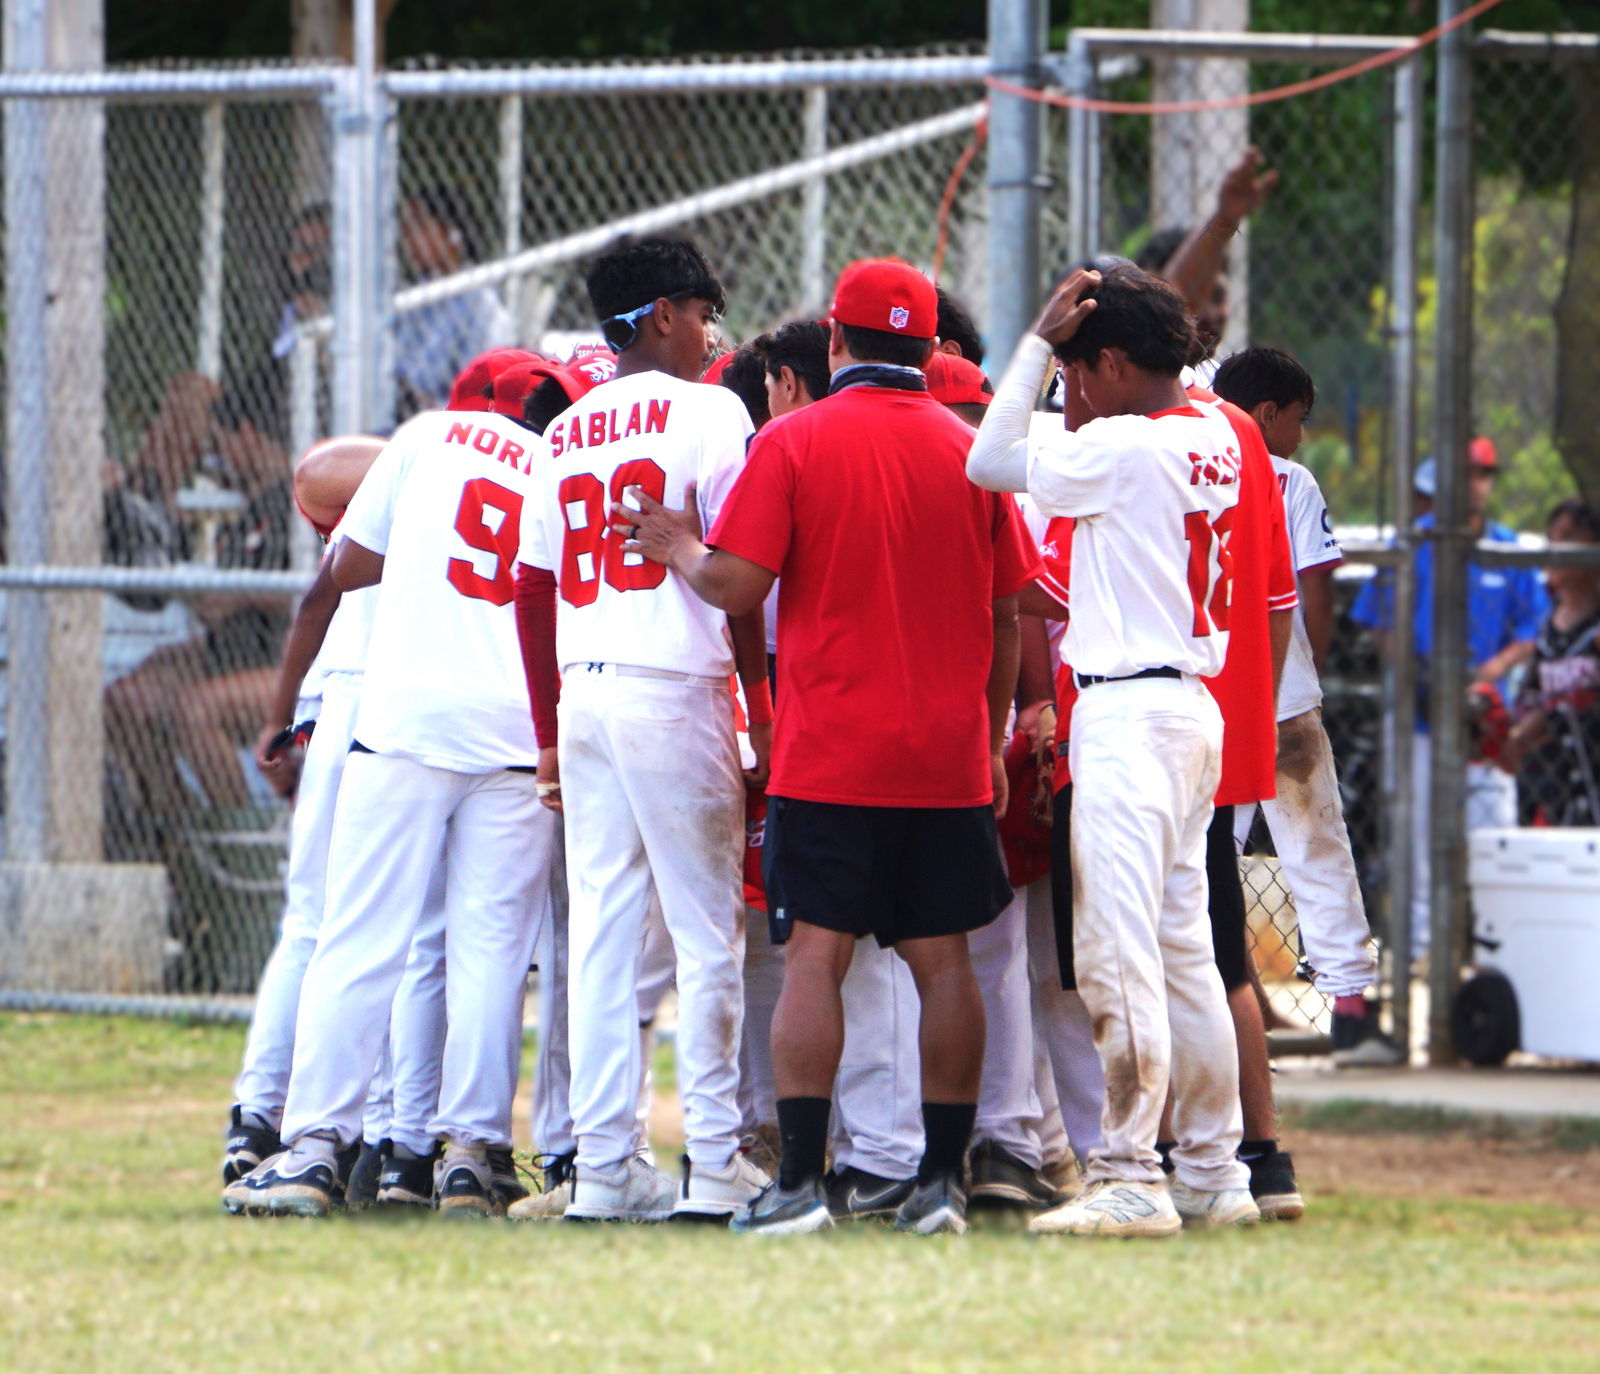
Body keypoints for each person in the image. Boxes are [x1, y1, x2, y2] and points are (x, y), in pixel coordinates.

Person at [622, 257, 1038, 1237]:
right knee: (944, 964)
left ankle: (800, 1184)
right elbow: (1009, 615)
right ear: (931, 350)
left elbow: (733, 586)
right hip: (942, 754)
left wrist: (679, 543)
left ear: (838, 343)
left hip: (831, 754)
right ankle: (942, 1184)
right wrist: (986, 738)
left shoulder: (795, 440)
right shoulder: (969, 451)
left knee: (814, 959)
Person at [968, 264, 1259, 1237]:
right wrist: (1067, 357)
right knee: (1184, 955)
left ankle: (1131, 1169)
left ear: (1119, 364)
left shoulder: (1130, 444)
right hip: (1186, 710)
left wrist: (1034, 345)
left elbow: (988, 457)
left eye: (1085, 371)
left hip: (1134, 715)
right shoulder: (1213, 429)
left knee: (1115, 952)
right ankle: (1216, 1171)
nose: (1075, 393)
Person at [232, 360, 559, 1219]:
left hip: (411, 716)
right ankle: (467, 1160)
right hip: (518, 727)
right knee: (491, 954)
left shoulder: (422, 438)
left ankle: (309, 1154)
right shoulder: (551, 459)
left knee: (361, 931)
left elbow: (347, 567)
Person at [516, 234, 771, 1224]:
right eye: (702, 313)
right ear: (660, 314)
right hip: (675, 684)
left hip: (583, 692)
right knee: (708, 933)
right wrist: (758, 701)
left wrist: (545, 729)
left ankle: (607, 1165)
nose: (711, 334)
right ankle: (712, 1159)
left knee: (603, 939)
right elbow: (740, 568)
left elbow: (532, 586)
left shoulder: (567, 428)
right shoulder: (710, 408)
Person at [1212, 347, 1401, 1067]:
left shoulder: (1185, 460)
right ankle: (1352, 1010)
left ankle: (1207, 1002)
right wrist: (1306, 670)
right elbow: (1313, 590)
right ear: (1268, 414)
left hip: (1204, 694)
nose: (1301, 435)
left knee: (1206, 856)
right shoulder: (1287, 478)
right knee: (1318, 848)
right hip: (1282, 694)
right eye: (1298, 419)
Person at [1351, 436, 1548, 956]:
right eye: (1469, 474)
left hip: (1482, 722)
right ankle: (1419, 957)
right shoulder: (1414, 543)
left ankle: (1494, 956)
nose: (1478, 484)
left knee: (1492, 841)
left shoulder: (1505, 550)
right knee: (1416, 842)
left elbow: (1531, 632)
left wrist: (1488, 672)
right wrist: (1420, 674)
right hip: (1420, 717)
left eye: (1485, 475)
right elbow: (1380, 623)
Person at [1500, 498, 1600, 825]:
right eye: (1553, 536)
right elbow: (1539, 702)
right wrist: (1515, 738)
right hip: (1556, 789)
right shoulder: (1547, 631)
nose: (1557, 547)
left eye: (1570, 536)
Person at [394, 184, 516, 417]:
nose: (408, 239)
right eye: (405, 229)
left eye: (418, 227)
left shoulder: (479, 300)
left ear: (453, 235)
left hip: (451, 421)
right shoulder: (414, 300)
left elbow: (483, 383)